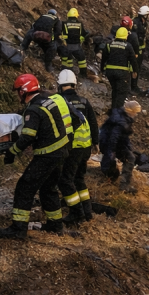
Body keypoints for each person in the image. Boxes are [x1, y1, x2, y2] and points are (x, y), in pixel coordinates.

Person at [0, 74, 73, 239]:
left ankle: (18, 229)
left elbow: (27, 137)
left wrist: (12, 152)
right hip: (61, 153)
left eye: (17, 91)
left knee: (24, 187)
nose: (17, 95)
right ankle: (55, 225)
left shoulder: (33, 110)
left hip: (47, 155)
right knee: (48, 188)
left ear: (23, 91)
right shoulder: (48, 101)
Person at [57, 70, 99, 224]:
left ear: (60, 85)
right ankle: (87, 212)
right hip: (85, 147)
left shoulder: (60, 102)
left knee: (65, 180)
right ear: (74, 85)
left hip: (71, 147)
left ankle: (76, 213)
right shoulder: (84, 101)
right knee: (79, 178)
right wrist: (96, 142)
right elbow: (93, 123)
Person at [97, 100, 141, 193]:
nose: (136, 114)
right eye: (135, 112)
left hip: (111, 143)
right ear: (130, 111)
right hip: (110, 144)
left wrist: (128, 147)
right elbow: (114, 137)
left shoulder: (121, 116)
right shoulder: (121, 122)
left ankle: (114, 178)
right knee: (129, 159)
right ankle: (123, 185)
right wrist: (112, 151)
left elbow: (123, 136)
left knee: (127, 157)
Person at [101, 28, 138, 109]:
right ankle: (117, 112)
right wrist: (135, 71)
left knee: (115, 90)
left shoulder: (109, 44)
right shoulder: (128, 46)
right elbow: (133, 60)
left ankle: (113, 110)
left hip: (110, 72)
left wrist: (102, 69)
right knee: (122, 92)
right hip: (122, 73)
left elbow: (104, 58)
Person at [59, 8, 91, 78]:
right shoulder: (79, 24)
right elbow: (83, 34)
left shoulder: (64, 23)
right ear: (76, 15)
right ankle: (83, 74)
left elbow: (60, 34)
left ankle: (67, 72)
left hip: (66, 46)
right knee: (82, 60)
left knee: (67, 60)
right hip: (77, 46)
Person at [131, 6, 149, 90]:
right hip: (134, 50)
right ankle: (132, 86)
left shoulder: (144, 24)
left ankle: (134, 85)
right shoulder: (135, 23)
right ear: (145, 15)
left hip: (140, 49)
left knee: (137, 67)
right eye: (148, 15)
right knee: (133, 67)